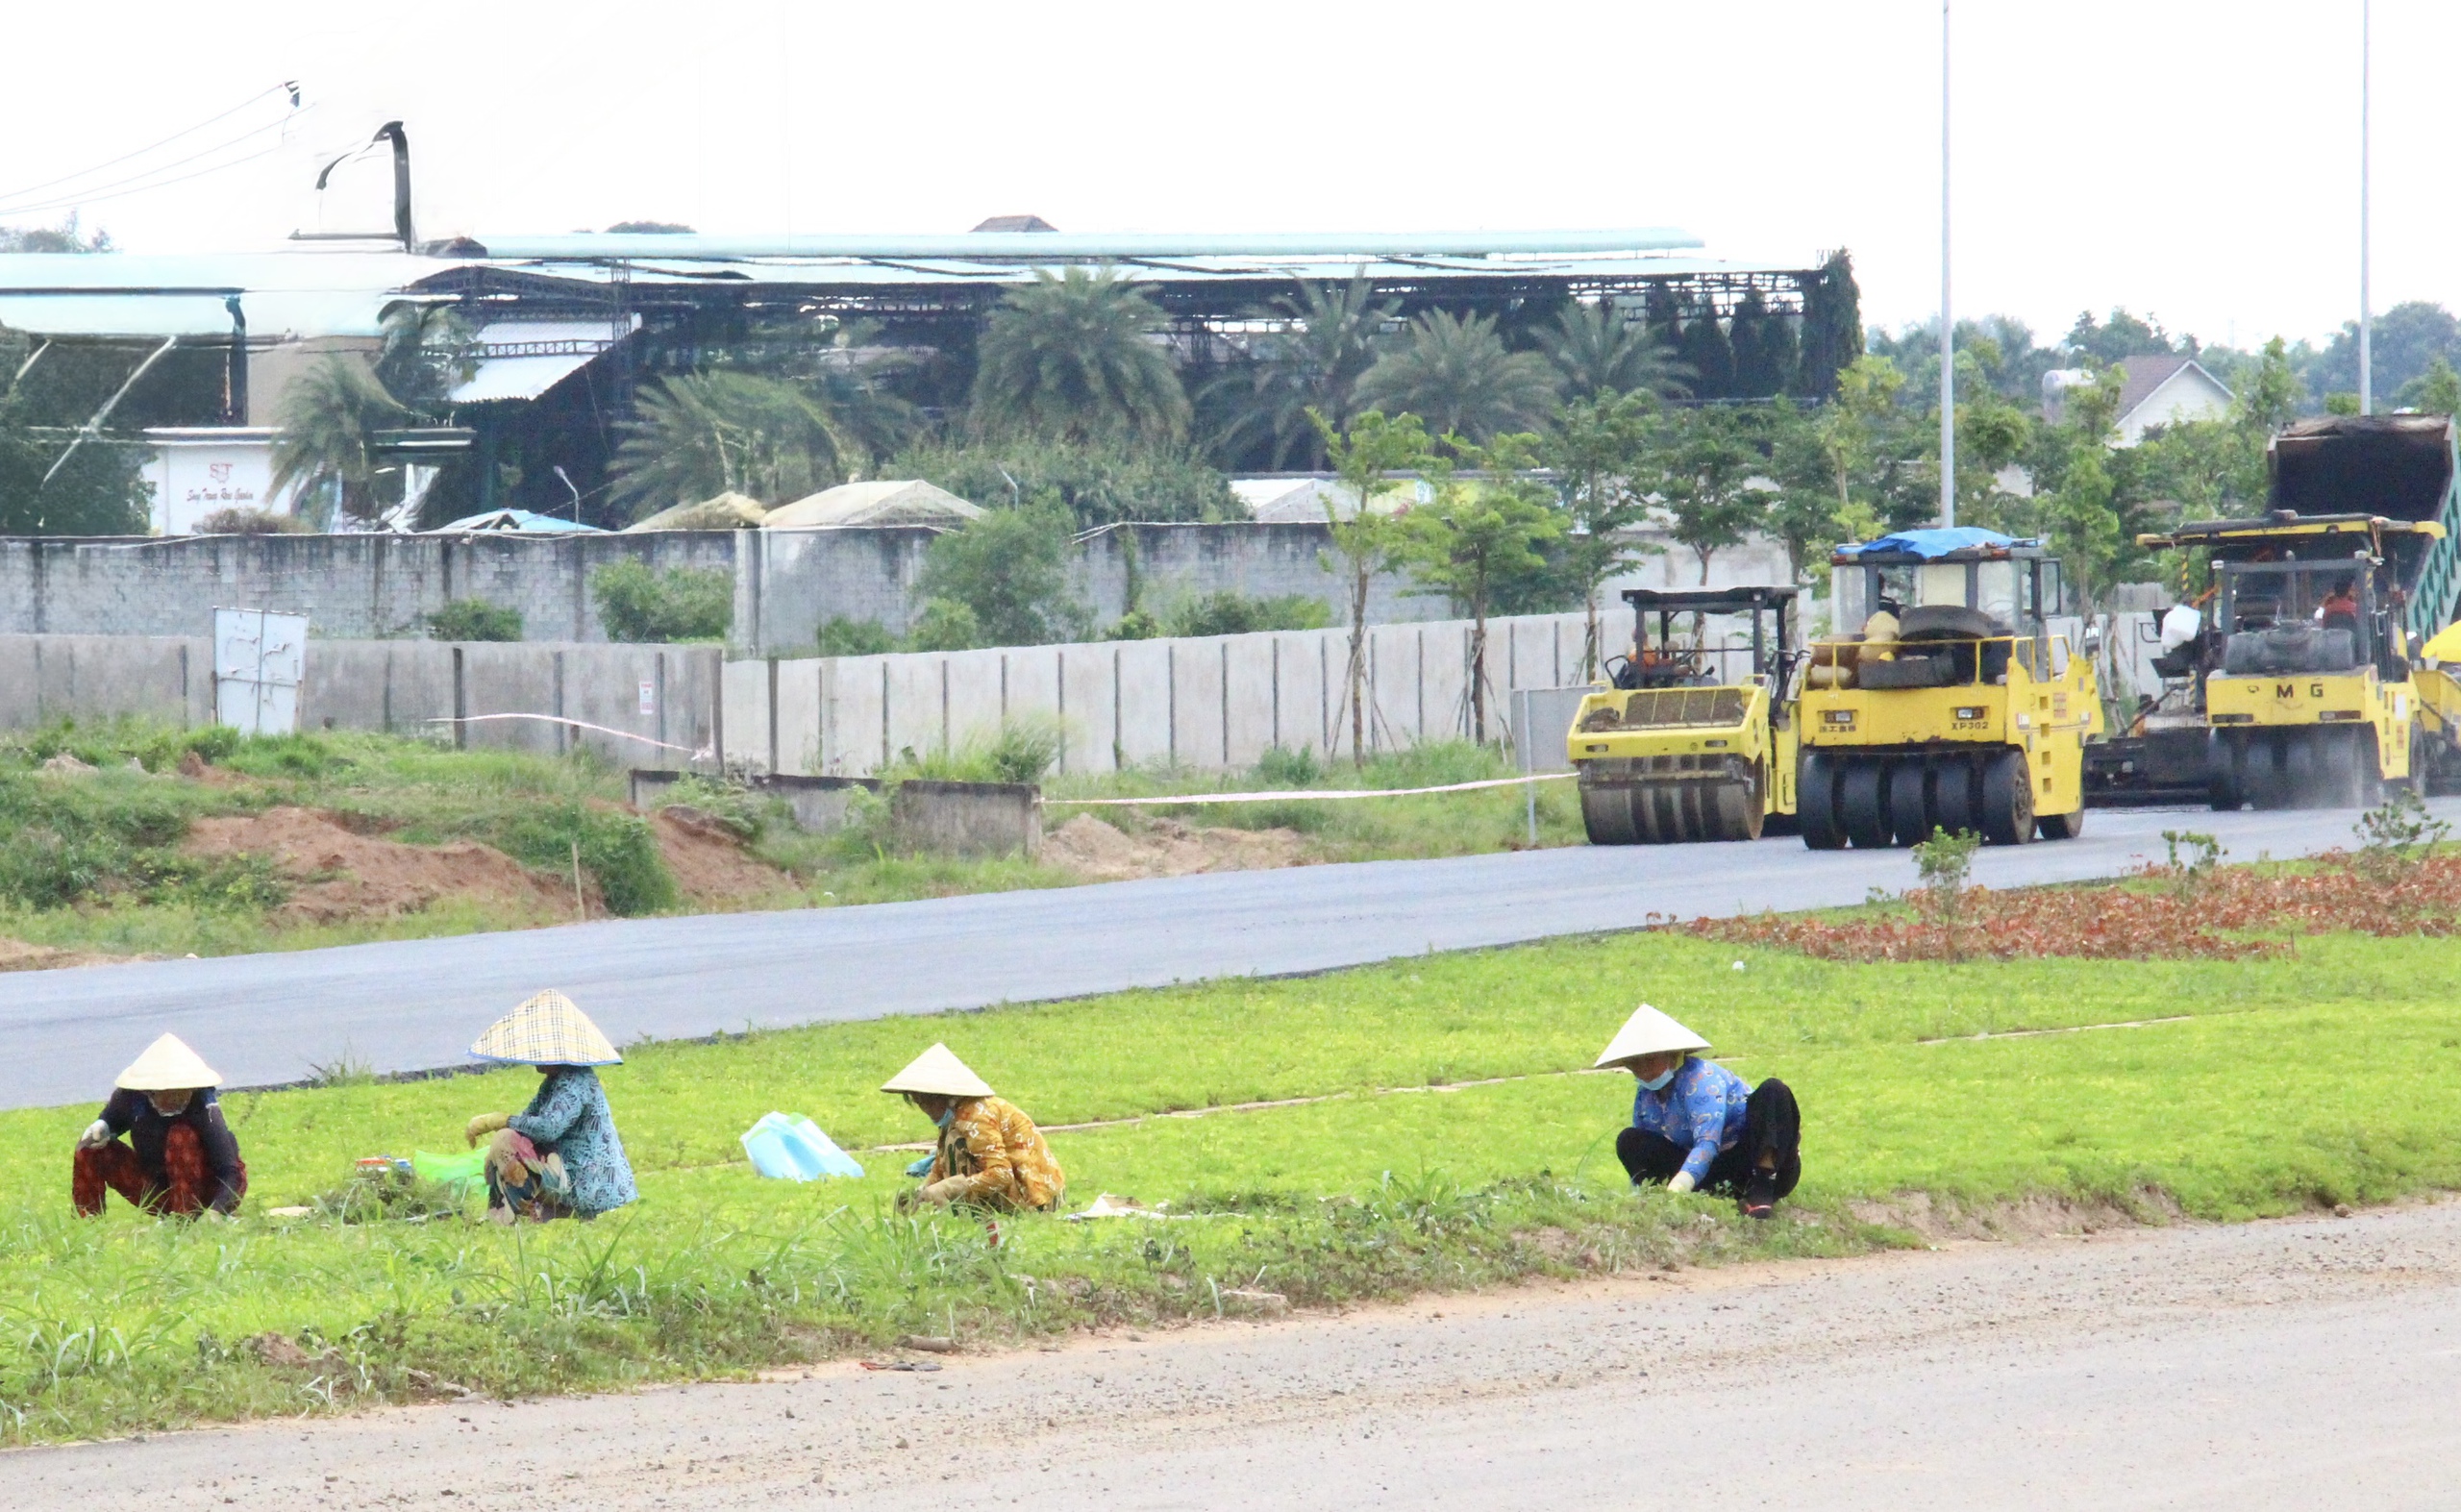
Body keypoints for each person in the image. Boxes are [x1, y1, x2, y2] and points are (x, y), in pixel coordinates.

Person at [1596, 1003, 1799, 1220]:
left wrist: (1680, 1185)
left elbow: (1707, 1142)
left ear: (1671, 1055)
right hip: (1710, 1174)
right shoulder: (1645, 1096)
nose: (1643, 1069)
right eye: (1634, 1063)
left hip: (1745, 1160)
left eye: (1650, 1060)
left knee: (1773, 1090)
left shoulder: (1701, 1079)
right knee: (1630, 1140)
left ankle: (1762, 1184)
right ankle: (1655, 1199)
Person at [461, 990, 637, 1224]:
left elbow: (547, 1128)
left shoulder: (576, 1083)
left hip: (585, 1181)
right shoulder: (555, 1082)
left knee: (505, 1141)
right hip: (566, 1170)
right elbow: (527, 1124)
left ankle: (514, 1218)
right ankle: (503, 1217)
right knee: (503, 1145)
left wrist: (500, 1121)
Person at [72, 1033, 247, 1218]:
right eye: (169, 1093)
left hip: (208, 1191)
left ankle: (184, 1220)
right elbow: (112, 1120)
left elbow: (230, 1172)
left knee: (180, 1135)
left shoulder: (204, 1107)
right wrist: (103, 1126)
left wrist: (216, 1212)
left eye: (182, 1092)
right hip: (159, 1189)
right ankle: (88, 1222)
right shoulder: (132, 1099)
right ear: (150, 1091)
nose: (176, 1098)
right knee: (89, 1147)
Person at [882, 1043, 1064, 1213]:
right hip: (1025, 1192)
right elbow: (939, 1165)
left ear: (942, 1096)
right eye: (918, 1102)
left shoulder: (976, 1117)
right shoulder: (954, 1118)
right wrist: (920, 1194)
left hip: (1037, 1197)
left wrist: (951, 1187)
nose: (924, 1108)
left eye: (927, 1101)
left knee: (957, 1144)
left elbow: (1001, 1174)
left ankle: (978, 1212)